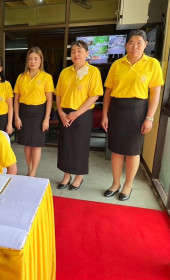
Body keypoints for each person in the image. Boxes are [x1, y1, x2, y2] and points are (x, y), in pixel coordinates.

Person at [101, 29, 164, 201]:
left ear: (145, 45)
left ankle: (128, 185)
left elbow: (155, 94)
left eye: (139, 43)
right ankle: (115, 183)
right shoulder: (117, 64)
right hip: (117, 109)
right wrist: (105, 115)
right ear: (126, 45)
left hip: (138, 110)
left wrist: (149, 117)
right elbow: (108, 92)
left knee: (133, 151)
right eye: (131, 42)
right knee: (115, 150)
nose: (135, 46)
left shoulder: (152, 64)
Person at [55, 40, 103, 190]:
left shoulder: (93, 72)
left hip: (82, 113)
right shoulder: (65, 72)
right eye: (73, 51)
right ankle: (66, 175)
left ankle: (79, 176)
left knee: (80, 146)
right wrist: (61, 113)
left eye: (79, 51)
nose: (76, 54)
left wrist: (76, 114)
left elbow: (94, 96)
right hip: (65, 113)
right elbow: (58, 95)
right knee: (66, 145)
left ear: (87, 54)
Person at [14, 47, 54, 177]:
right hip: (24, 112)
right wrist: (17, 117)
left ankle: (33, 172)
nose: (33, 62)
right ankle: (29, 169)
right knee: (27, 145)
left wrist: (47, 118)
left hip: (39, 113)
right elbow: (16, 99)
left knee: (36, 145)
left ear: (41, 60)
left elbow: (49, 100)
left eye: (36, 59)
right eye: (30, 59)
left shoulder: (46, 77)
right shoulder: (21, 77)